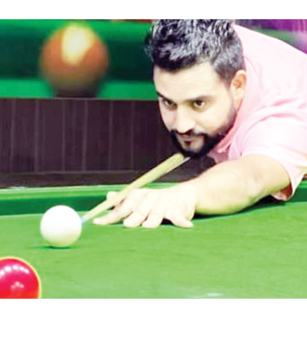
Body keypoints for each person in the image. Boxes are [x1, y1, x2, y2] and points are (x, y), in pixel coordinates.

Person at [94, 19, 307, 228]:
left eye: (198, 103)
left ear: (237, 86)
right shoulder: (212, 41)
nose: (182, 125)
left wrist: (186, 195)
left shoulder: (282, 118)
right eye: (169, 102)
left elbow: (252, 178)